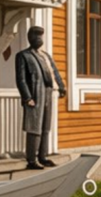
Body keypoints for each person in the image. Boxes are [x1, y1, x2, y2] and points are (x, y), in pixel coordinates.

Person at [14, 25, 66, 170]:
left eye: (40, 35)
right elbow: (21, 79)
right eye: (35, 35)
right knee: (34, 127)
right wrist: (27, 97)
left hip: (48, 92)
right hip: (35, 94)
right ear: (29, 37)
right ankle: (32, 159)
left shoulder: (46, 55)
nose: (38, 38)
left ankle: (43, 157)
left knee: (45, 126)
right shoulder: (23, 55)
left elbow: (54, 71)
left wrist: (61, 86)